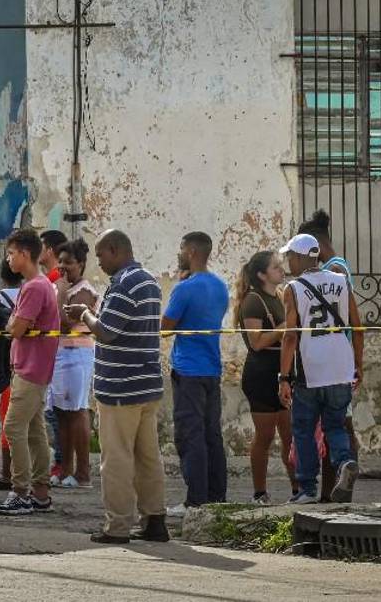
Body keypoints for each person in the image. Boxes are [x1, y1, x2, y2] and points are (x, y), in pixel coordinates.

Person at [66, 230, 168, 545]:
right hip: (146, 384)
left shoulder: (125, 283)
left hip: (121, 387)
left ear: (115, 250)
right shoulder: (148, 279)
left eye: (100, 255)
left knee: (117, 459)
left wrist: (84, 313)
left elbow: (107, 332)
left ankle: (118, 525)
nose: (98, 262)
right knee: (148, 456)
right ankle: (154, 520)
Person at [278, 233, 363, 505]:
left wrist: (284, 377)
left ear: (302, 257)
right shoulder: (341, 281)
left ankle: (307, 488)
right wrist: (358, 364)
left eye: (290, 255)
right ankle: (344, 462)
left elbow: (290, 336)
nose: (288, 261)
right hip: (340, 366)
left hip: (311, 368)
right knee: (335, 425)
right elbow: (357, 327)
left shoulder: (293, 288)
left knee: (303, 428)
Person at [0, 229, 60, 516]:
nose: (8, 259)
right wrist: (13, 325)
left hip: (30, 368)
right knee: (34, 431)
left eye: (11, 253)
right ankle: (41, 493)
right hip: (33, 367)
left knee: (14, 427)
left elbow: (16, 328)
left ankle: (20, 490)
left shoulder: (34, 287)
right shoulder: (38, 285)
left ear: (24, 254)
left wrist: (13, 326)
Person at [162, 231, 229, 512]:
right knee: (212, 434)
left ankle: (196, 501)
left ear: (191, 252)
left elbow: (166, 327)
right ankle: (216, 497)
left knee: (191, 435)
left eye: (180, 248)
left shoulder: (185, 288)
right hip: (212, 368)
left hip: (188, 369)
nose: (178, 253)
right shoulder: (220, 286)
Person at [296, 209, 359, 502]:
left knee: (332, 426)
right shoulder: (339, 266)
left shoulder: (334, 271)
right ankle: (335, 485)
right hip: (339, 362)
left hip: (330, 362)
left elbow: (352, 323)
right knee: (334, 425)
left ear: (315, 246)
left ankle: (329, 491)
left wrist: (357, 364)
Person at [236, 250, 296, 504]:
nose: (282, 270)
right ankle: (260, 493)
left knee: (290, 434)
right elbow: (256, 342)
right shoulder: (253, 301)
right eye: (275, 267)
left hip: (282, 371)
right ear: (262, 274)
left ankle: (298, 489)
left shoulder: (280, 296)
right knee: (266, 435)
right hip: (261, 374)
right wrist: (282, 330)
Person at [51, 238, 98, 489]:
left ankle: (83, 473)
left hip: (76, 355)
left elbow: (63, 323)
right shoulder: (63, 287)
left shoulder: (83, 291)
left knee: (76, 410)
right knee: (61, 413)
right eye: (60, 261)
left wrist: (59, 290)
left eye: (68, 263)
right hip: (59, 355)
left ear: (80, 264)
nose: (62, 267)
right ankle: (65, 468)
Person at [0, 259, 23, 492]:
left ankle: (8, 474)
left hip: (3, 364)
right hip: (26, 364)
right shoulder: (31, 293)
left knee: (7, 421)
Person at [38, 229, 67, 481]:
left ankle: (62, 463)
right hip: (50, 353)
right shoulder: (49, 278)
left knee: (56, 411)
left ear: (49, 249)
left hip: (58, 352)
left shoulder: (56, 279)